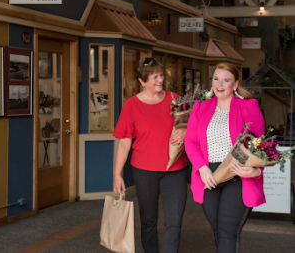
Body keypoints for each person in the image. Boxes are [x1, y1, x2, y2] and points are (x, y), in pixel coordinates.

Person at [185, 62, 265, 253]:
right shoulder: (200, 107)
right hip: (209, 176)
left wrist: (255, 170)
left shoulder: (248, 106)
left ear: (235, 84)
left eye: (226, 80)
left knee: (227, 233)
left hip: (237, 176)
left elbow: (261, 147)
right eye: (216, 79)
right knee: (219, 231)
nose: (220, 84)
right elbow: (191, 142)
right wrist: (202, 168)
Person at [113, 57, 187, 253]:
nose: (160, 80)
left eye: (161, 75)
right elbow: (124, 141)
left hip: (175, 169)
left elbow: (192, 125)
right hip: (144, 170)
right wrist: (117, 173)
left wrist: (185, 131)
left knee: (175, 220)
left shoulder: (175, 98)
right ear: (142, 81)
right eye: (154, 77)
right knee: (148, 220)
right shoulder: (131, 105)